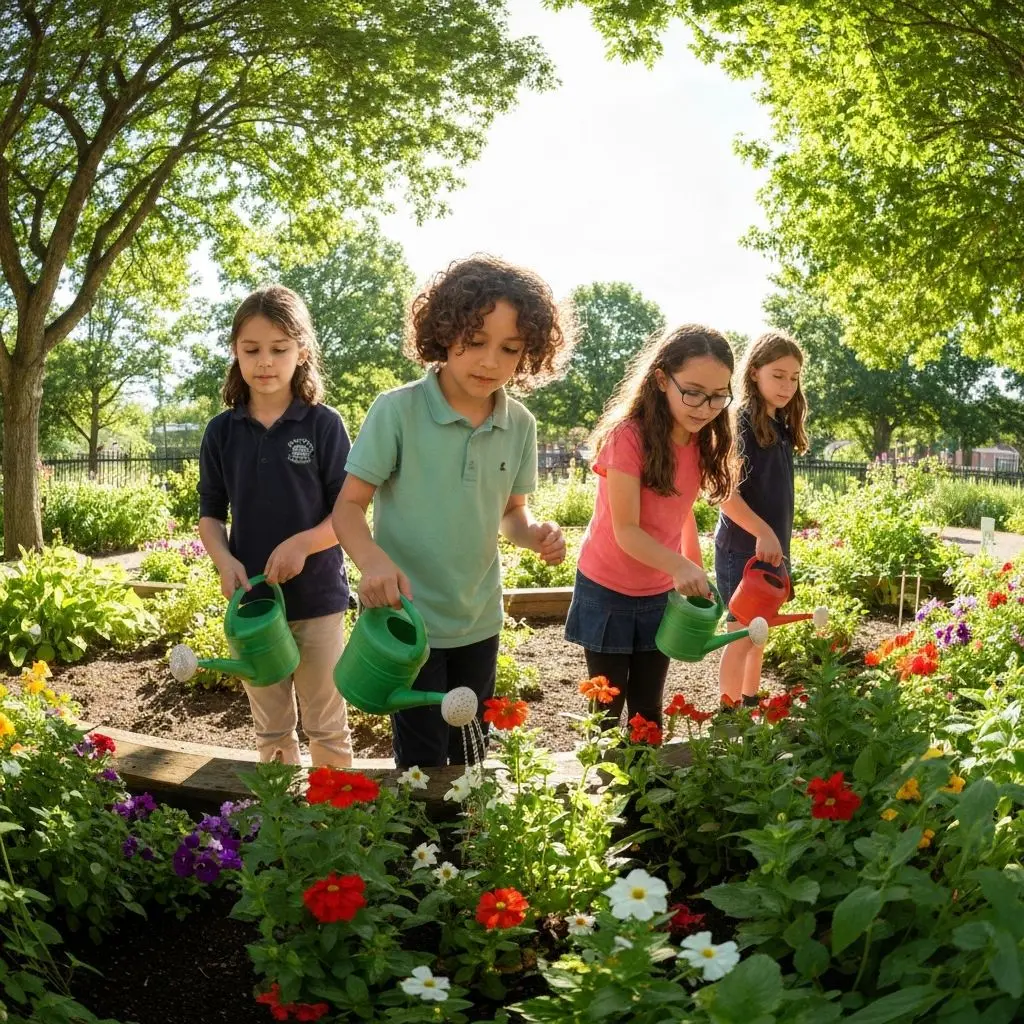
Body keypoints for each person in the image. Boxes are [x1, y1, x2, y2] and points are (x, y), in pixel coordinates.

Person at [333, 255, 573, 768]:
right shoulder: (397, 410)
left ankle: (463, 850)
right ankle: (425, 848)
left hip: (480, 619)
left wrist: (534, 534)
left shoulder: (521, 423)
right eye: (475, 341)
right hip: (409, 622)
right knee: (422, 764)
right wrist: (373, 563)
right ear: (443, 333)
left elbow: (511, 512)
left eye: (510, 349)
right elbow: (348, 509)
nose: (490, 361)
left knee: (470, 753)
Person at [197, 285, 353, 766]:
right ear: (235, 353)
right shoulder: (221, 432)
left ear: (301, 352)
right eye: (252, 350)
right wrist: (224, 561)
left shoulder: (323, 425)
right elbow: (209, 515)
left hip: (319, 602)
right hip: (254, 608)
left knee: (327, 724)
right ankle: (282, 825)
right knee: (271, 731)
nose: (265, 361)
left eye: (279, 349)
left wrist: (304, 545)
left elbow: (348, 514)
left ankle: (336, 827)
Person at [564, 324, 737, 729]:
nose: (704, 406)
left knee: (647, 711)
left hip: (659, 593)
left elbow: (680, 511)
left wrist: (691, 563)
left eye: (717, 396)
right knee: (605, 714)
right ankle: (602, 793)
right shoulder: (628, 437)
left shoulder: (701, 440)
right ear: (661, 379)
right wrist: (678, 566)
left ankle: (643, 793)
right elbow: (627, 530)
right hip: (607, 589)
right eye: (692, 391)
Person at [715, 330, 809, 708]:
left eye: (794, 377)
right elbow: (723, 494)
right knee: (740, 638)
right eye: (778, 374)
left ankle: (750, 705)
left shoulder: (781, 425)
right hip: (743, 551)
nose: (787, 384)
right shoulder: (738, 424)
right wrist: (764, 531)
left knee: (758, 636)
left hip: (772, 553)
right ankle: (727, 715)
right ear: (754, 372)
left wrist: (775, 540)